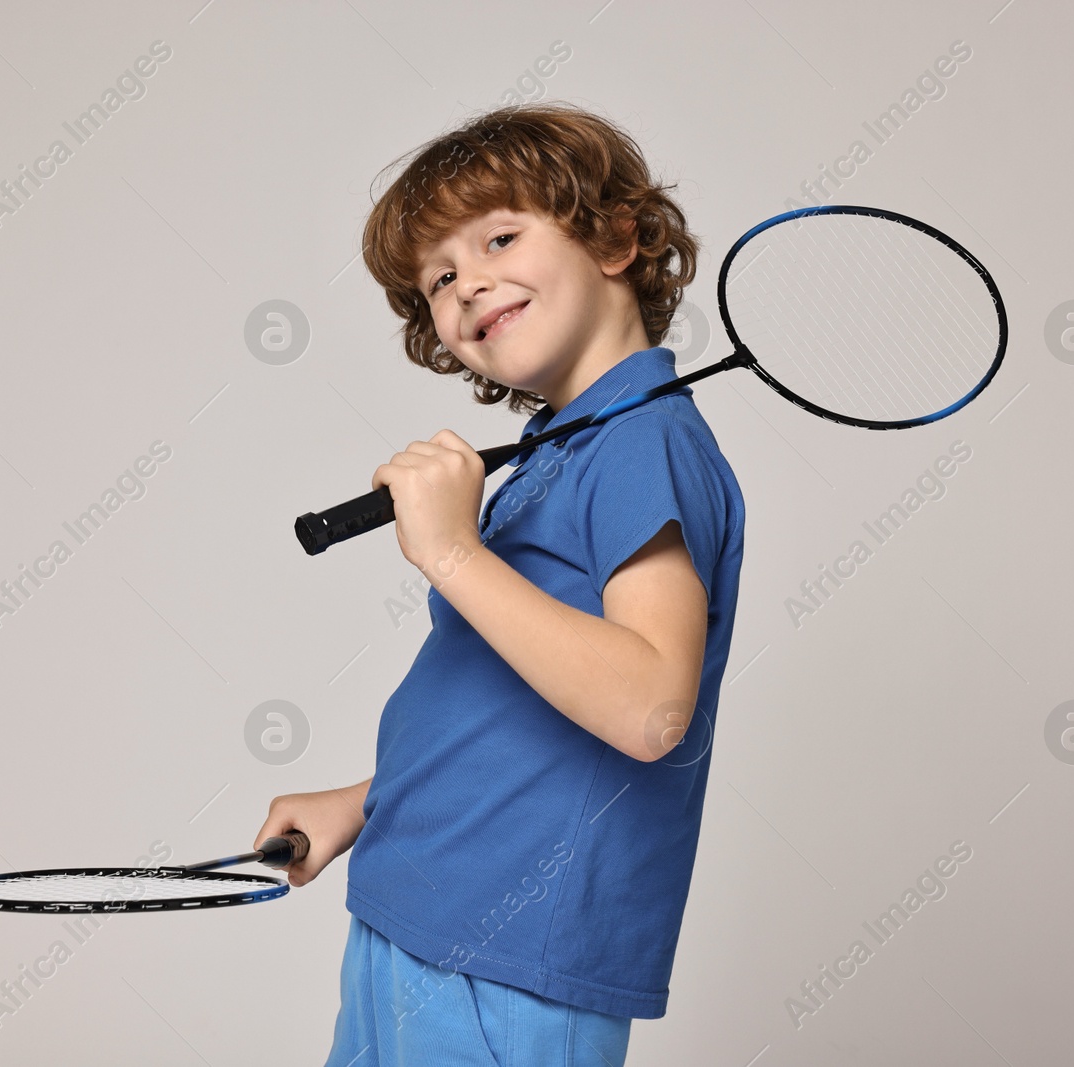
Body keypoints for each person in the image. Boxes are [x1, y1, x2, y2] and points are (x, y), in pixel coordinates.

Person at [254, 101, 746, 1066]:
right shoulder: (554, 455)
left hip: (507, 962)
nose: (467, 283)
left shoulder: (645, 441)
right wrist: (365, 802)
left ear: (615, 237)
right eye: (439, 278)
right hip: (415, 918)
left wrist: (452, 552)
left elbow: (650, 705)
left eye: (500, 238)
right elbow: (510, 709)